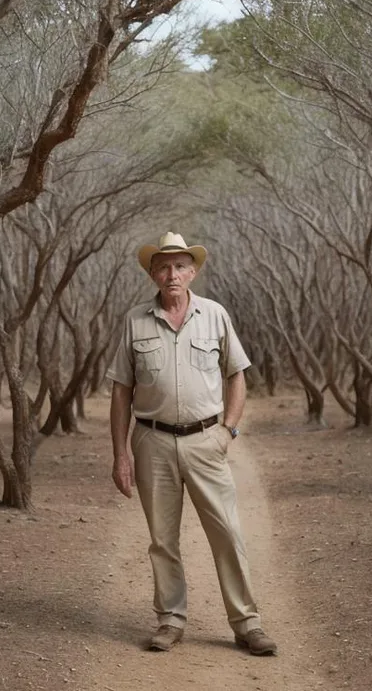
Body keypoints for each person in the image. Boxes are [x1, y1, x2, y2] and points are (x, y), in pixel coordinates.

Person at [107, 231, 277, 656]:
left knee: (227, 533)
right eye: (163, 266)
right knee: (162, 538)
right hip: (151, 441)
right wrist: (120, 453)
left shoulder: (215, 315)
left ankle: (246, 623)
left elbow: (236, 373)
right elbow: (120, 392)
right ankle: (170, 619)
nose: (172, 274)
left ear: (193, 271)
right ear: (152, 273)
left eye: (180, 266)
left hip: (206, 440)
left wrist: (229, 429)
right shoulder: (135, 320)